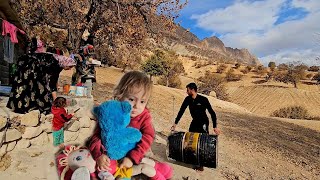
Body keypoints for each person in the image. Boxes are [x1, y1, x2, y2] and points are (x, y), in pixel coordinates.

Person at [88, 71, 172, 179]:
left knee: (145, 166)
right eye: (131, 99)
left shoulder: (144, 116)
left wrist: (132, 158)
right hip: (113, 156)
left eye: (142, 102)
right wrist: (99, 154)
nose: (137, 106)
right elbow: (97, 136)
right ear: (120, 95)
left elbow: (148, 136)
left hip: (137, 153)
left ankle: (160, 171)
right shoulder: (112, 114)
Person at [6, 38, 76, 114]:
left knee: (34, 87)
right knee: (28, 87)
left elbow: (52, 81)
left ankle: (25, 108)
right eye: (69, 66)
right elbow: (52, 83)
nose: (69, 69)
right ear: (66, 63)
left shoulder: (57, 61)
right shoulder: (55, 64)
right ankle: (24, 108)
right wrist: (56, 100)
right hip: (28, 66)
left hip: (29, 66)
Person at [170, 82, 221, 171]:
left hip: (203, 122)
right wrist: (175, 123)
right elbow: (181, 111)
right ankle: (193, 159)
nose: (187, 92)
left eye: (188, 90)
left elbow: (212, 113)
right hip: (194, 122)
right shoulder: (188, 99)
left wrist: (215, 126)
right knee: (191, 139)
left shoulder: (203, 99)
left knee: (203, 142)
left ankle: (201, 165)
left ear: (192, 90)